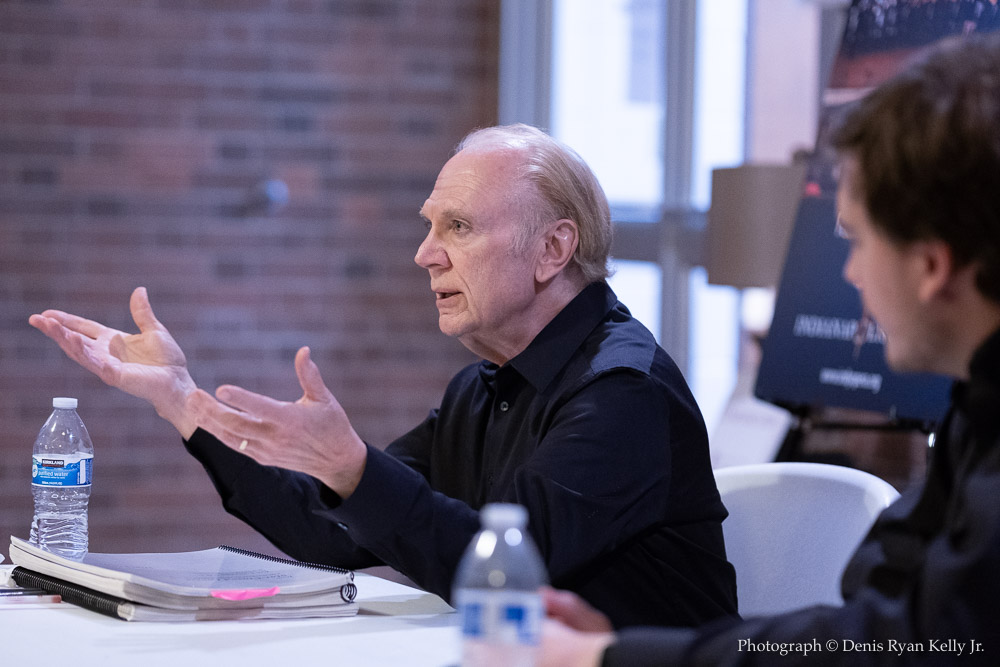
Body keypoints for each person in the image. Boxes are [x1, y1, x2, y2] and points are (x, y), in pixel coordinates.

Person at [29, 124, 738, 629]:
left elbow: (500, 573)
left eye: (457, 226)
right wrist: (183, 403)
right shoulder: (483, 387)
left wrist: (353, 466)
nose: (425, 252)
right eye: (430, 226)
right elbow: (328, 532)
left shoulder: (625, 393)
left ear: (553, 248)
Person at [538, 33, 1000, 666]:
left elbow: (920, 647)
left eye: (857, 242)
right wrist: (617, 649)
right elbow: (883, 616)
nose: (851, 275)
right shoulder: (978, 406)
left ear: (930, 266)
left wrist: (609, 659)